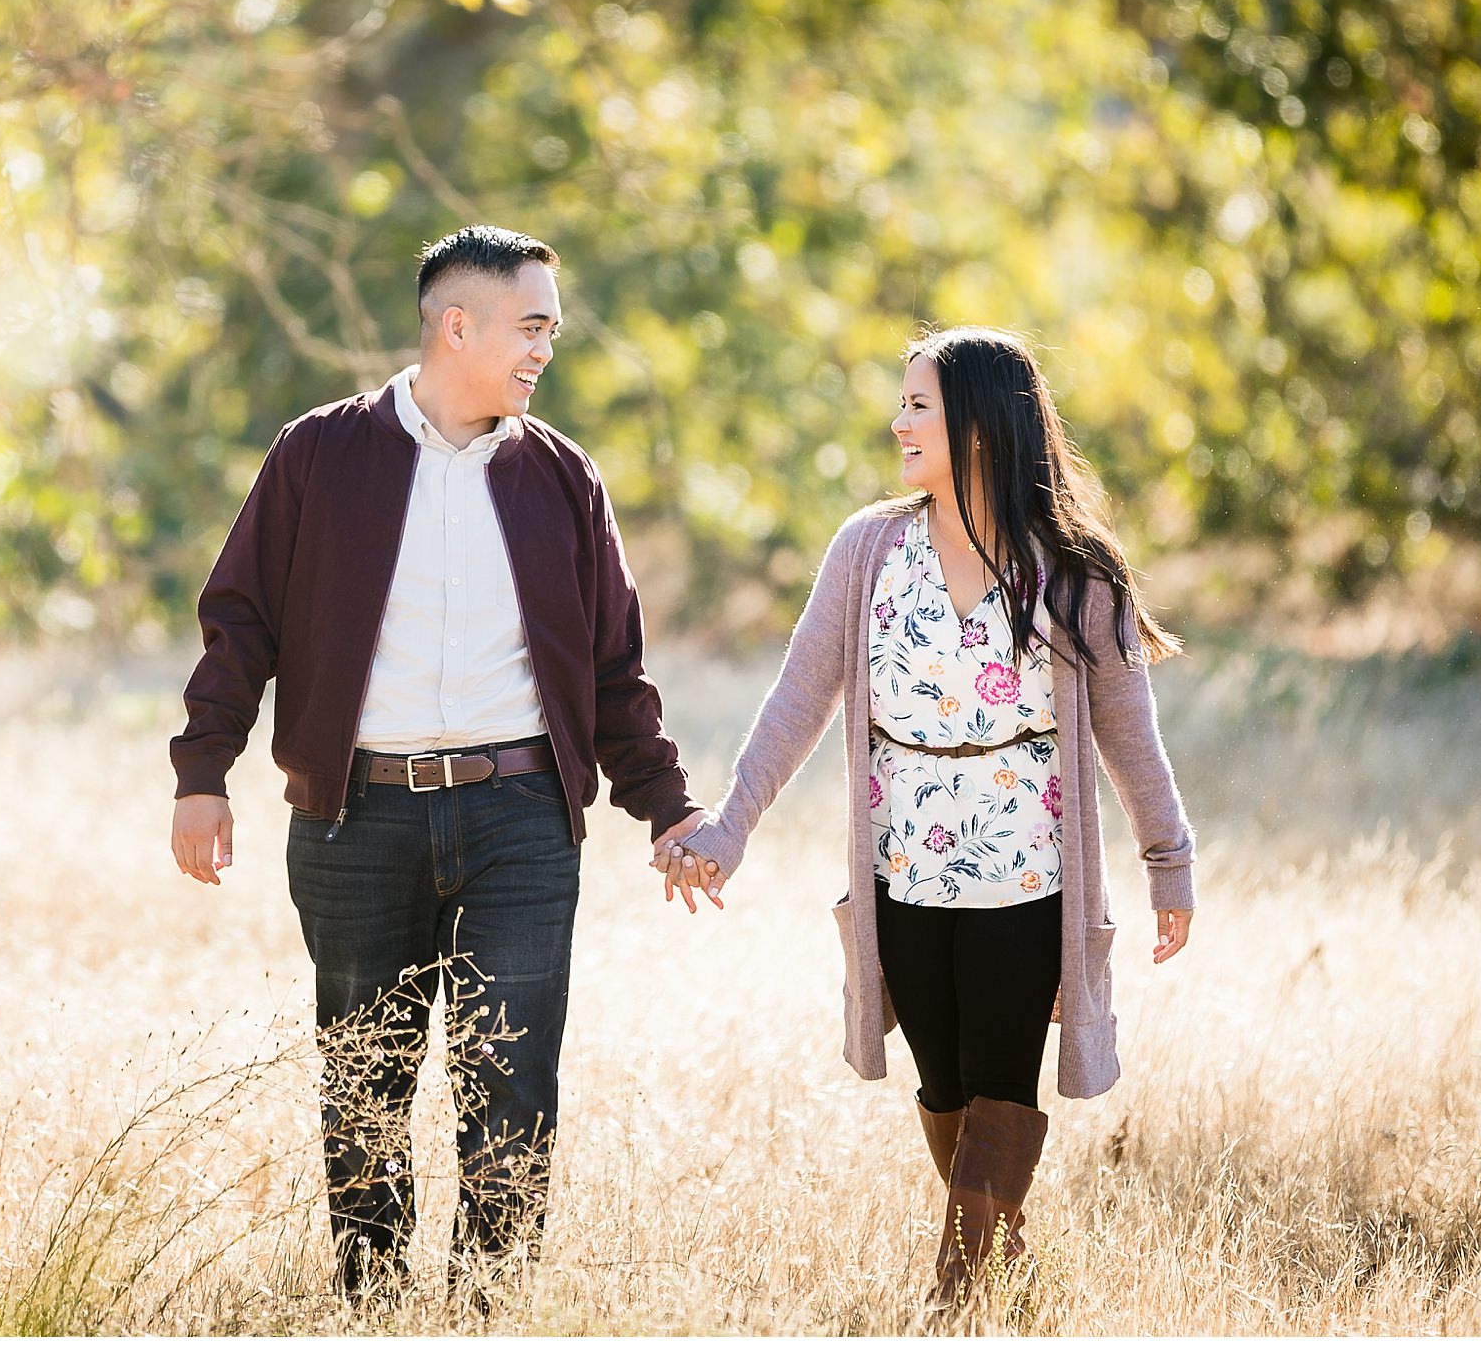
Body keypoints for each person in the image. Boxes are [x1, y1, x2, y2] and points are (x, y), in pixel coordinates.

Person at [169, 225, 708, 1303]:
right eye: (530, 325)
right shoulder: (318, 454)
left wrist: (667, 808)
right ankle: (372, 1310)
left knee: (511, 1081)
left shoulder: (560, 477)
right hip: (353, 819)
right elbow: (241, 622)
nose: (544, 349)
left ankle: (490, 1311)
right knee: (363, 1081)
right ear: (455, 326)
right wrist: (201, 772)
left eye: (551, 328)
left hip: (520, 815)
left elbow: (612, 665)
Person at [663, 325, 1199, 1312]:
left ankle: (952, 1299)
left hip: (1027, 877)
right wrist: (730, 825)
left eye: (918, 404)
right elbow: (796, 702)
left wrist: (1169, 866)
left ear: (981, 427)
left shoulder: (1074, 573)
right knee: (944, 1087)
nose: (896, 421)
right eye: (901, 402)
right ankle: (1006, 1267)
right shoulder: (868, 549)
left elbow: (1129, 736)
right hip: (902, 871)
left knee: (1001, 1077)